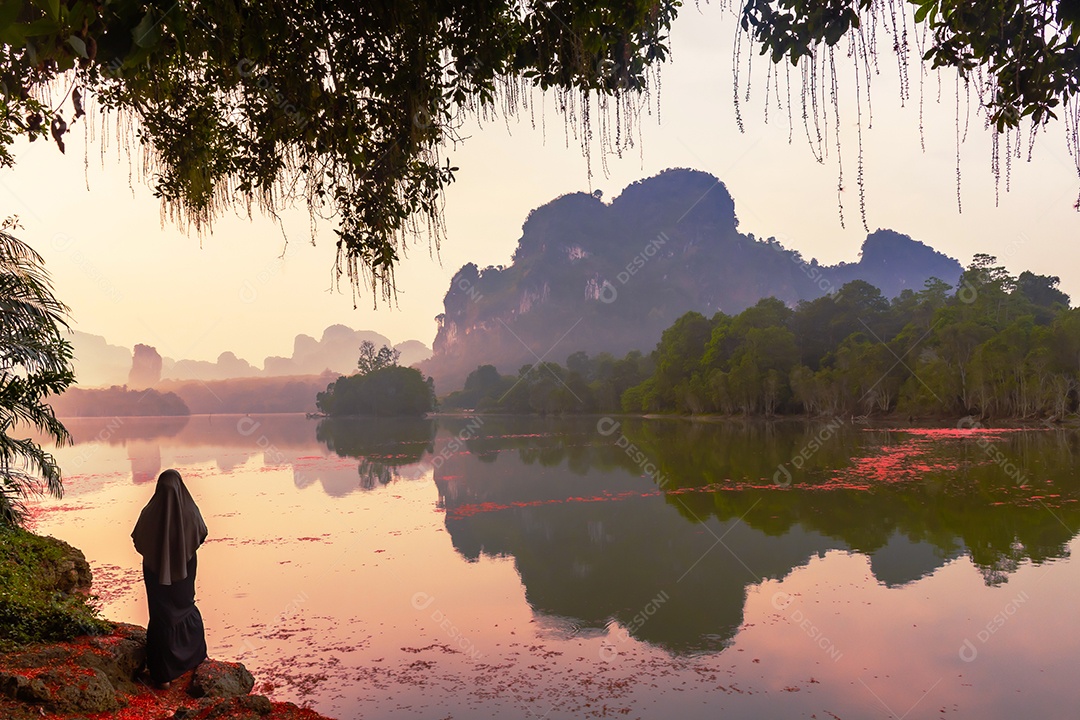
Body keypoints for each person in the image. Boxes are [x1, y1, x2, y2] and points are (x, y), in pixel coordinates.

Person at [131, 469, 209, 688]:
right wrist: (183, 550)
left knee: (161, 614)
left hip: (154, 571)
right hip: (184, 568)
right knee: (184, 606)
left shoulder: (150, 512)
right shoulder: (190, 511)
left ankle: (163, 674)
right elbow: (202, 533)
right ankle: (193, 657)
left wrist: (158, 555)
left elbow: (138, 540)